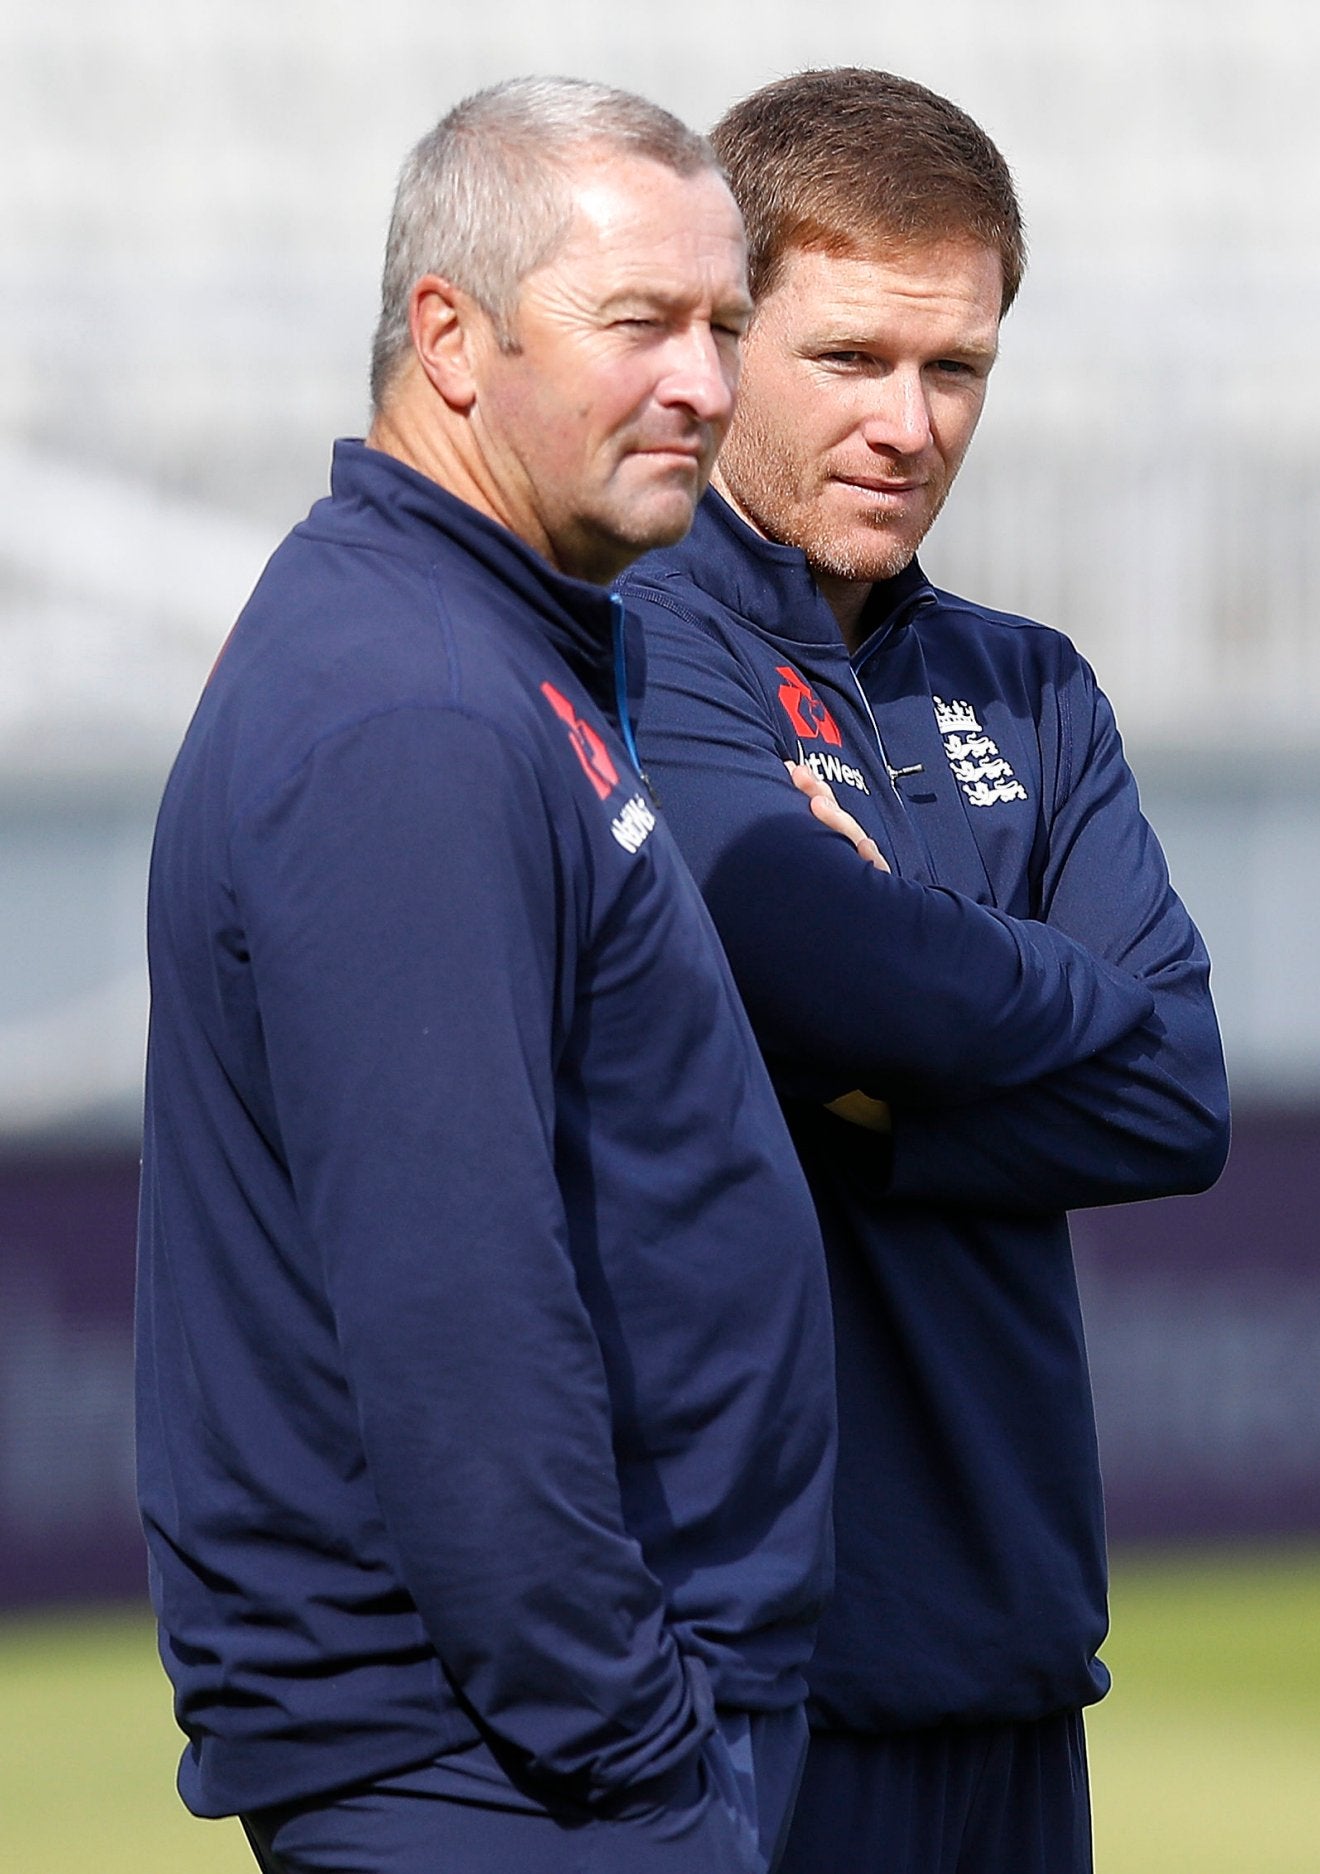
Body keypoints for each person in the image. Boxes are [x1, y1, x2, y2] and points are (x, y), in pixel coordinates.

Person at [140, 78, 835, 1873]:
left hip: (530, 1754)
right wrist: (639, 1758)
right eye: (643, 324)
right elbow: (454, 1298)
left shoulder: (483, 643)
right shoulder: (415, 709)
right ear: (450, 337)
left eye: (726, 326)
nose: (705, 382)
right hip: (506, 1774)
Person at [617, 68, 1228, 1874]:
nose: (909, 422)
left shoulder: (1031, 681)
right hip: (745, 1653)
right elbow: (811, 956)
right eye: (851, 359)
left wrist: (883, 1103)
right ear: (726, 341)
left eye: (954, 368)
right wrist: (1023, 993)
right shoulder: (635, 641)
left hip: (1018, 1641)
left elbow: (1182, 1089)